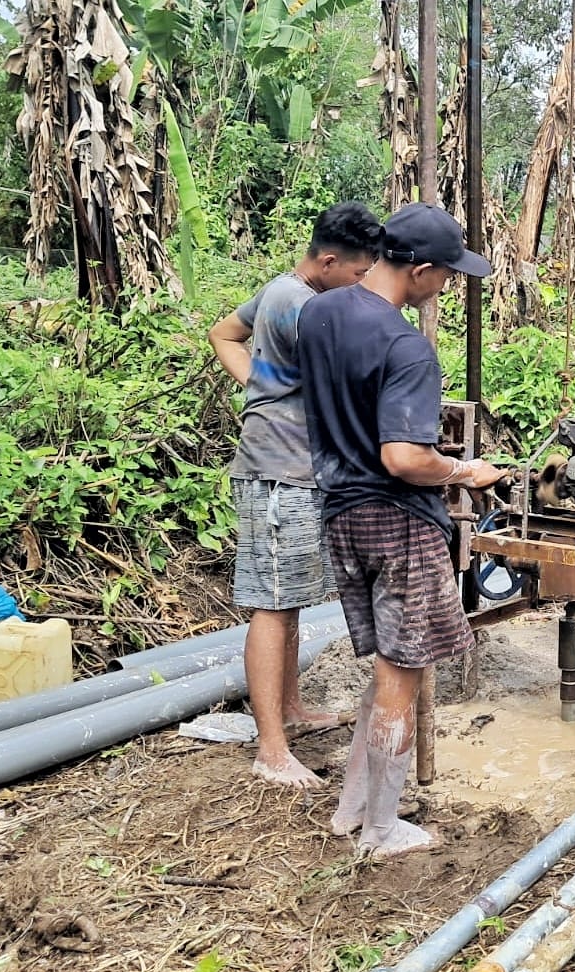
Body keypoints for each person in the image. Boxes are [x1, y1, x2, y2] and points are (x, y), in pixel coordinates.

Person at [296, 202, 504, 858]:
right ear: (419, 271)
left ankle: (352, 810)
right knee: (404, 673)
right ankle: (383, 831)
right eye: (446, 275)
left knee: (388, 667)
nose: (447, 286)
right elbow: (404, 457)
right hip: (398, 523)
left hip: (340, 516)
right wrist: (464, 469)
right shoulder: (406, 345)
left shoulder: (318, 313)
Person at [207, 202, 383, 789]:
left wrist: (262, 384)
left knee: (291, 596)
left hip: (297, 470)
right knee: (271, 603)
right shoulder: (305, 309)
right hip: (278, 473)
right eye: (359, 275)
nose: (363, 285)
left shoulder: (281, 291)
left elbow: (223, 333)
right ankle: (272, 749)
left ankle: (289, 708)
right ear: (329, 261)